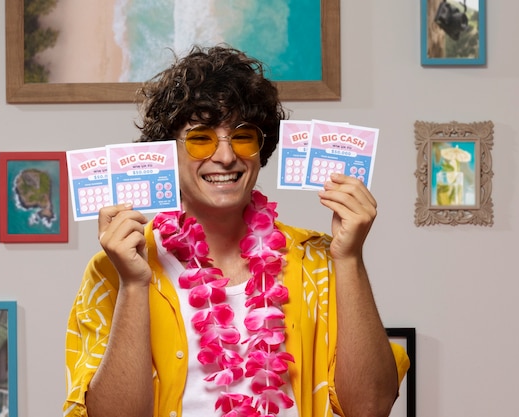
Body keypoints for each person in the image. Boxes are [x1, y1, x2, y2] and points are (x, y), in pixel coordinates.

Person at [64, 45, 410, 417]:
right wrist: (133, 285)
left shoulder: (321, 260)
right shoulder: (111, 270)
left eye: (242, 137)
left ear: (261, 150)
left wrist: (350, 256)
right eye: (201, 139)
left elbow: (371, 408)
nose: (226, 156)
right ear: (167, 153)